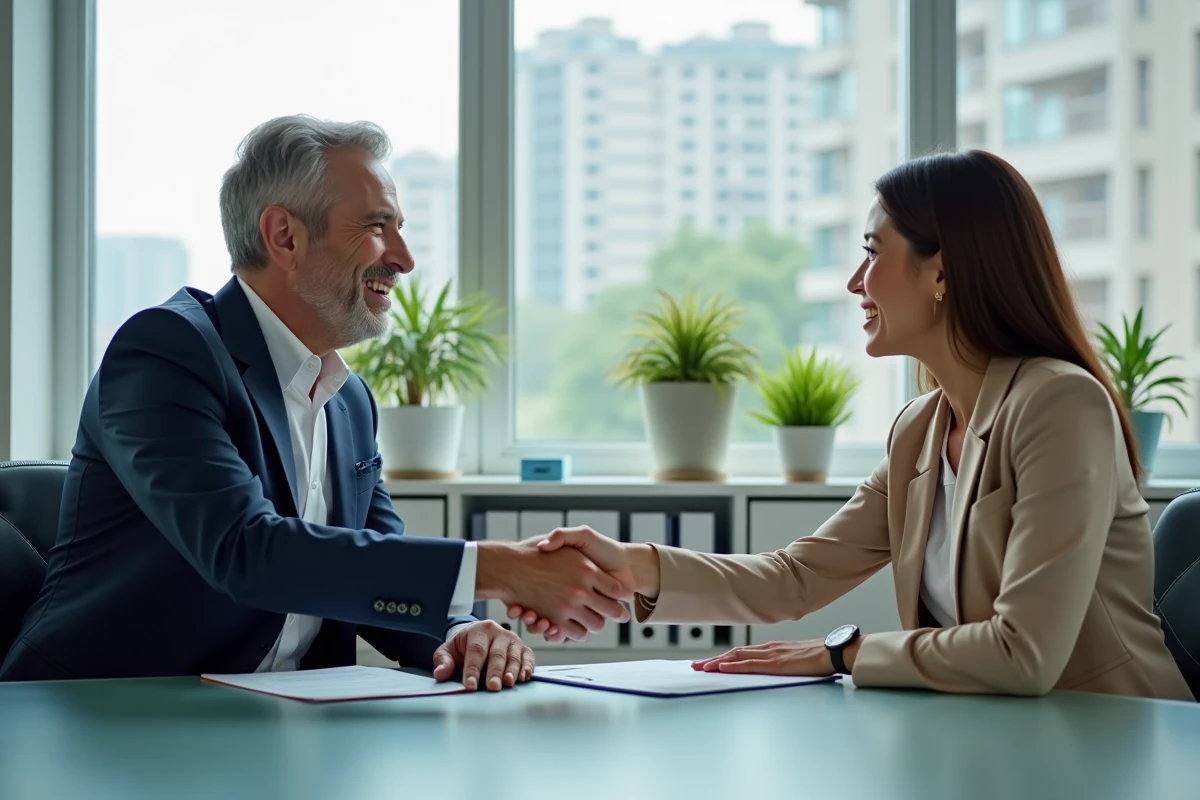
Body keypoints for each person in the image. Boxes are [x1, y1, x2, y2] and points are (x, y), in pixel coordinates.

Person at [512, 150, 1194, 701]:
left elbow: (1025, 653)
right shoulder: (919, 431)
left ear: (942, 272)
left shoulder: (1058, 403)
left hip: (1121, 745)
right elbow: (790, 579)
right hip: (1005, 743)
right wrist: (627, 564)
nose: (854, 281)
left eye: (872, 252)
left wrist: (839, 654)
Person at [0, 115, 629, 688]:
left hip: (275, 726)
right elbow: (246, 551)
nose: (404, 259)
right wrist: (503, 568)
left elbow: (369, 571)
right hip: (97, 716)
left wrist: (459, 632)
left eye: (401, 231)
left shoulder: (348, 399)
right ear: (285, 236)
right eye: (378, 228)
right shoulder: (166, 353)